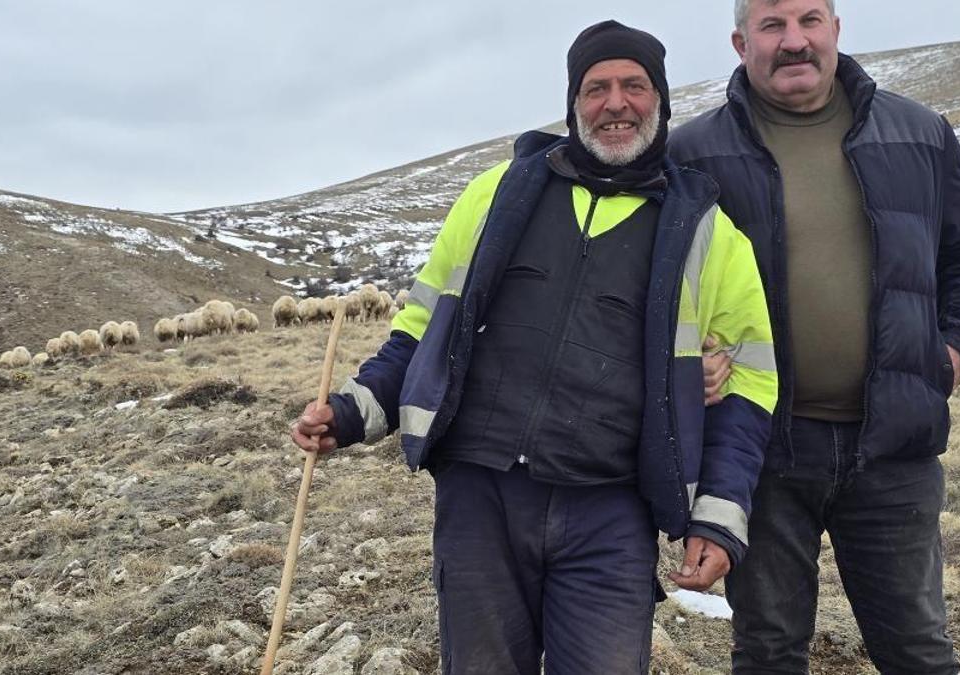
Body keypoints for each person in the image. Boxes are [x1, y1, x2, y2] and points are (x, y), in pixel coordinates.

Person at [290, 20, 777, 674]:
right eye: (596, 87)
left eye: (634, 85)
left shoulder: (710, 236)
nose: (615, 103)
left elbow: (748, 385)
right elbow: (422, 328)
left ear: (659, 100)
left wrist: (717, 517)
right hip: (479, 500)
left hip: (611, 512)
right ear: (573, 101)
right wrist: (351, 413)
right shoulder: (493, 196)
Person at [668, 1, 960, 673]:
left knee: (917, 650)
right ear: (741, 42)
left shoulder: (919, 133)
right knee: (767, 651)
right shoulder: (691, 153)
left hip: (893, 448)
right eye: (772, 26)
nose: (795, 42)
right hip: (760, 450)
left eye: (809, 21)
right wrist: (678, 366)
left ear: (835, 30)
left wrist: (959, 351)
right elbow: (653, 285)